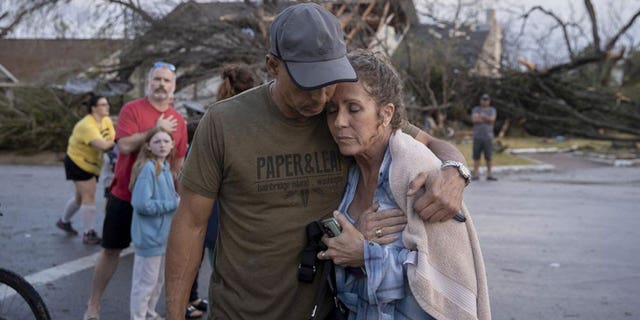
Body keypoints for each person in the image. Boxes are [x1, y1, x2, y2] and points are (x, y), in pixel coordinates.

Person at [165, 4, 469, 320]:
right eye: (308, 82)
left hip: (324, 311)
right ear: (273, 65)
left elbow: (432, 144)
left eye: (330, 79)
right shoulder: (224, 123)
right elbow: (190, 223)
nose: (322, 96)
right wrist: (174, 314)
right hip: (240, 311)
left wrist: (455, 171)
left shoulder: (344, 120)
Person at [319, 49, 490, 320]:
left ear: (386, 114)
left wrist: (365, 256)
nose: (339, 122)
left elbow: (441, 283)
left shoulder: (417, 173)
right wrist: (352, 243)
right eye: (332, 111)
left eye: (354, 109)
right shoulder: (349, 170)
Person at [83, 61, 188, 320]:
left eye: (166, 80)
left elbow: (178, 164)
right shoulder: (133, 109)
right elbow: (126, 146)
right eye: (157, 79)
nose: (161, 84)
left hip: (159, 206)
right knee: (110, 251)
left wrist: (181, 198)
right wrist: (156, 130)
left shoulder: (179, 121)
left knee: (156, 260)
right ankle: (93, 305)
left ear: (173, 87)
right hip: (124, 196)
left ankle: (146, 312)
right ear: (148, 83)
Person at [129, 127, 178, 320]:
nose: (162, 145)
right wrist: (173, 203)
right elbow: (141, 204)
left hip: (163, 237)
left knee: (157, 281)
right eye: (157, 141)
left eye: (166, 141)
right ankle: (138, 316)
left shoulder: (164, 167)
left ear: (172, 145)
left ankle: (149, 313)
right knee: (145, 283)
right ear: (148, 146)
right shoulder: (149, 168)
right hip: (149, 238)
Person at [56, 94, 115, 245]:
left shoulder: (106, 120)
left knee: (79, 197)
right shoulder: (86, 125)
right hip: (78, 163)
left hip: (92, 164)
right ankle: (88, 233)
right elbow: (103, 144)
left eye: (106, 104)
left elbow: (112, 138)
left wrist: (114, 141)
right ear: (94, 108)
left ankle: (64, 221)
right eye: (103, 104)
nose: (107, 107)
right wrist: (118, 142)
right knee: (89, 196)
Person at [471, 93, 497, 181]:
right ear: (480, 100)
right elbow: (474, 119)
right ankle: (475, 174)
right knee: (476, 156)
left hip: (488, 137)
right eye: (483, 100)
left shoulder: (492, 110)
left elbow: (492, 119)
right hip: (477, 136)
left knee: (488, 156)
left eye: (486, 100)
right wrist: (487, 118)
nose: (485, 101)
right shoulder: (476, 109)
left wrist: (481, 116)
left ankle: (490, 174)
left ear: (489, 101)